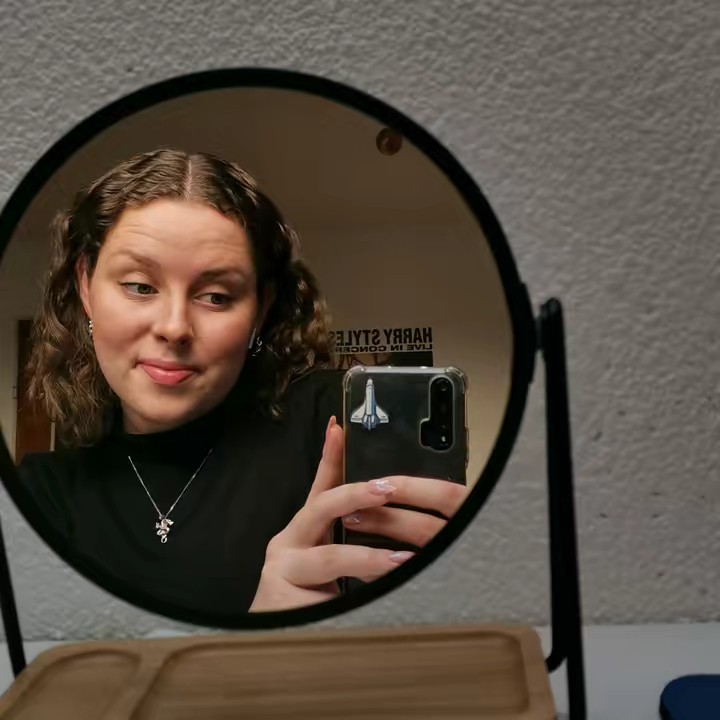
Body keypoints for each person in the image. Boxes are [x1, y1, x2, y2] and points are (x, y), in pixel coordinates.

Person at [13, 148, 467, 621]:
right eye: (140, 286)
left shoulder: (336, 422)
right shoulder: (40, 495)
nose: (174, 327)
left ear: (261, 309)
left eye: (216, 296)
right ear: (86, 287)